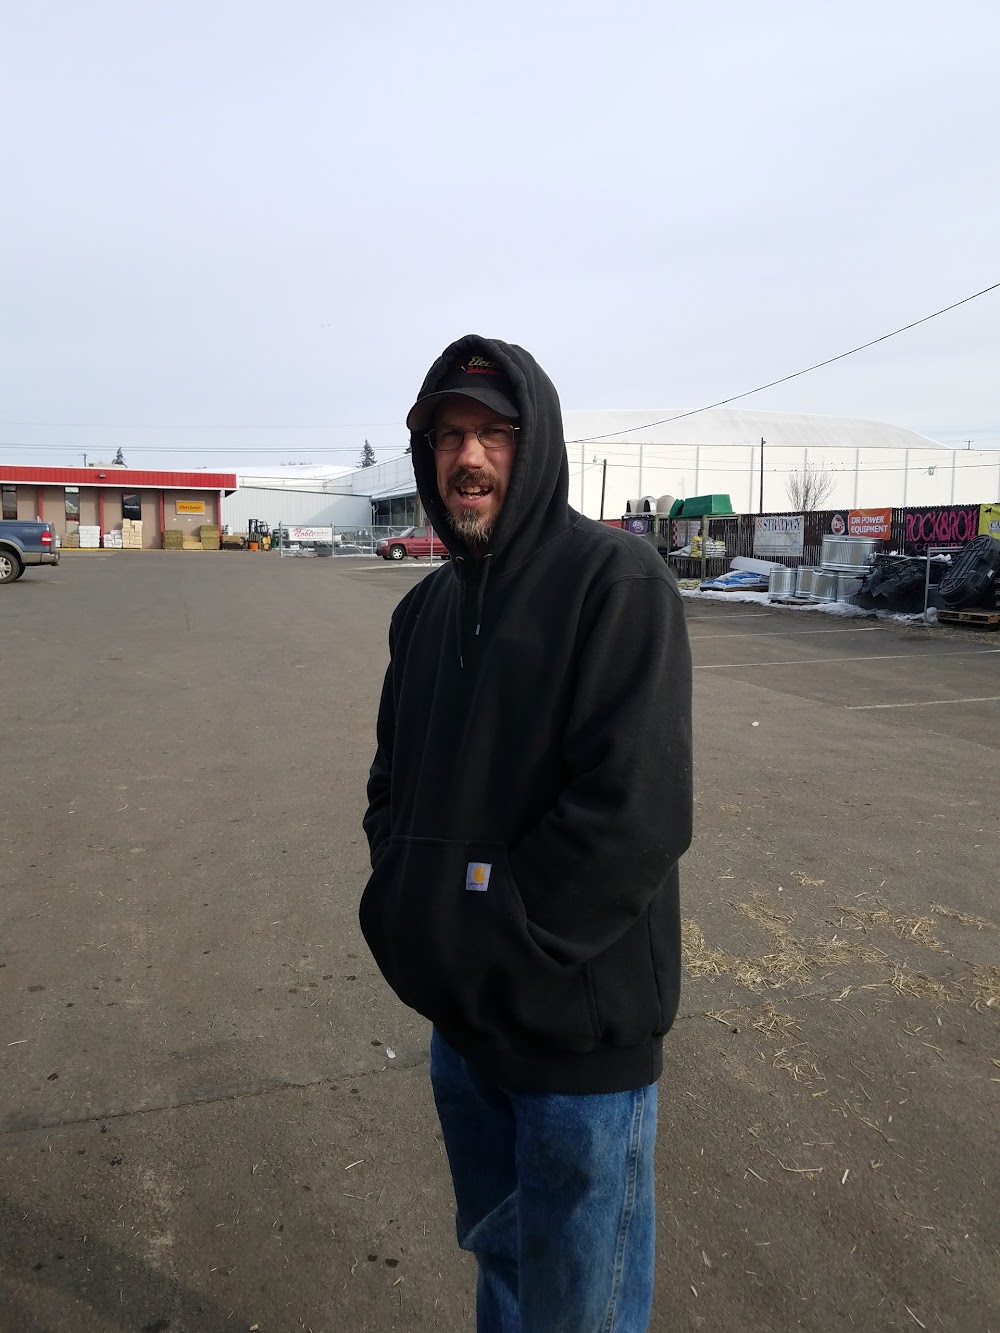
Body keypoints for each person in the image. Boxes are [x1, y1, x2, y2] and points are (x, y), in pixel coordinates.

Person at [360, 336, 693, 1332]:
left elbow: (632, 814)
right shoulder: (423, 613)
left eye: (493, 433)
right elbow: (390, 789)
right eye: (449, 435)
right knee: (502, 1268)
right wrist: (408, 914)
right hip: (464, 1040)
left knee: (579, 1309)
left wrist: (491, 942)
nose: (468, 456)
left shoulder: (614, 582)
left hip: (576, 1051)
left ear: (534, 443)